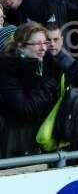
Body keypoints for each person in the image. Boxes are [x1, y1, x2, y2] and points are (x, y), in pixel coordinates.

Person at [0, 22, 57, 158]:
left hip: (40, 143)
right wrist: (44, 83)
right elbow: (27, 110)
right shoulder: (8, 71)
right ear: (21, 47)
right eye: (37, 44)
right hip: (15, 145)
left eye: (45, 42)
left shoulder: (47, 66)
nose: (43, 48)